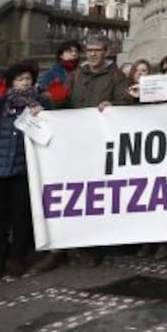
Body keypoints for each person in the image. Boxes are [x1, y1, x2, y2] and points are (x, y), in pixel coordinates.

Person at [30, 33, 132, 274]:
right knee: (64, 195)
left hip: (98, 147)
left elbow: (126, 105)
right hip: (71, 145)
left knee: (93, 197)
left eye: (98, 50)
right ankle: (57, 249)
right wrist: (46, 107)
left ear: (106, 51)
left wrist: (114, 106)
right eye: (90, 50)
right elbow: (63, 104)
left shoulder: (117, 76)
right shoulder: (74, 75)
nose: (93, 54)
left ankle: (90, 247)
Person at [0, 60, 52, 280]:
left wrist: (44, 111)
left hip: (23, 169)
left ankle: (17, 258)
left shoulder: (38, 104)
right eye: (20, 79)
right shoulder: (0, 103)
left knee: (21, 217)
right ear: (11, 82)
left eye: (28, 79)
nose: (25, 83)